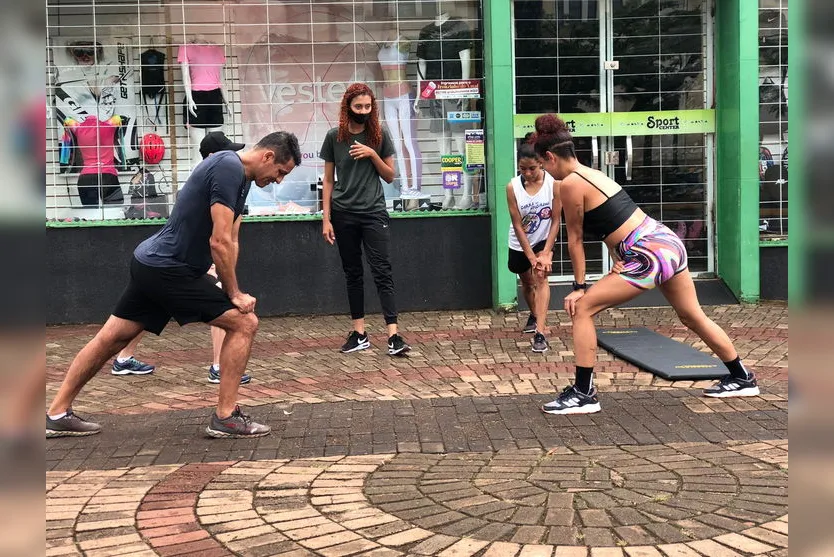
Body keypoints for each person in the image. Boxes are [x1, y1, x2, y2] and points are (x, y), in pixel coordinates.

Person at [46, 131, 301, 438]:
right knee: (244, 324)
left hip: (153, 264)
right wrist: (233, 293)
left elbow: (230, 239)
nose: (279, 180)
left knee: (112, 338)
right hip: (167, 269)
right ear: (268, 157)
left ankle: (57, 413)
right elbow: (219, 240)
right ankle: (226, 417)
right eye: (280, 172)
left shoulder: (241, 177)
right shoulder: (228, 168)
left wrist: (221, 279)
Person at [530, 114, 759, 415]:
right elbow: (616, 228)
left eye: (544, 165)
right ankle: (742, 376)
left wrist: (578, 287)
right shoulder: (593, 174)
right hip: (665, 242)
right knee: (692, 315)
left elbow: (575, 240)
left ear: (550, 157)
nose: (545, 172)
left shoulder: (571, 183)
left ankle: (584, 393)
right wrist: (618, 265)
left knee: (583, 308)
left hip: (646, 252)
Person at [112, 131, 252, 386]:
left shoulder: (227, 179)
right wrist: (216, 269)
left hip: (184, 260)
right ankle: (220, 366)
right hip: (178, 261)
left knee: (145, 309)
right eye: (227, 152)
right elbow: (213, 234)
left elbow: (231, 235)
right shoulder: (215, 179)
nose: (235, 157)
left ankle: (123, 357)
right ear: (213, 156)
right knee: (228, 309)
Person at [320, 83, 410, 356]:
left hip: (373, 212)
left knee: (382, 271)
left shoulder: (380, 135)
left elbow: (390, 176)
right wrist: (326, 219)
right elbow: (327, 181)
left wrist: (372, 153)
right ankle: (359, 333)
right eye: (358, 107)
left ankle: (393, 335)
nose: (363, 111)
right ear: (348, 107)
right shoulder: (334, 137)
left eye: (367, 107)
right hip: (343, 213)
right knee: (353, 273)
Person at [507, 143, 561, 352]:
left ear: (541, 163)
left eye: (532, 168)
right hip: (520, 242)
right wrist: (530, 256)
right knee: (528, 284)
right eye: (523, 169)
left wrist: (546, 252)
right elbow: (517, 224)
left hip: (543, 240)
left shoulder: (554, 185)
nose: (528, 173)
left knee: (541, 278)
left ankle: (540, 332)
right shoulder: (512, 187)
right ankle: (535, 315)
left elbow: (556, 220)